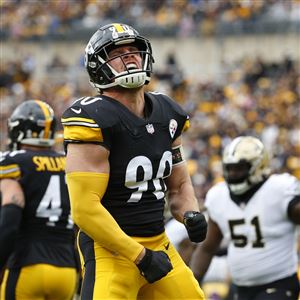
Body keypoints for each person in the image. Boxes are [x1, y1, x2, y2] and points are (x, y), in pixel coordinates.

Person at [61, 22, 207, 300]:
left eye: (134, 50)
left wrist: (190, 213)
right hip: (111, 252)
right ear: (99, 65)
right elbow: (84, 209)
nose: (129, 56)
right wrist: (139, 256)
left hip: (159, 244)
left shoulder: (167, 113)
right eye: (118, 52)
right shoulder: (93, 118)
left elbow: (178, 185)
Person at [190, 136, 300, 300]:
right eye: (229, 168)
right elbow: (207, 247)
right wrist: (191, 282)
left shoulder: (280, 189)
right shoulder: (218, 196)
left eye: (239, 168)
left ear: (258, 166)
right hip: (240, 287)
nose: (233, 174)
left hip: (278, 285)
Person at [0, 100, 78, 299]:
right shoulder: (70, 162)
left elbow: (9, 221)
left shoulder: (14, 161)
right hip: (66, 269)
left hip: (27, 264)